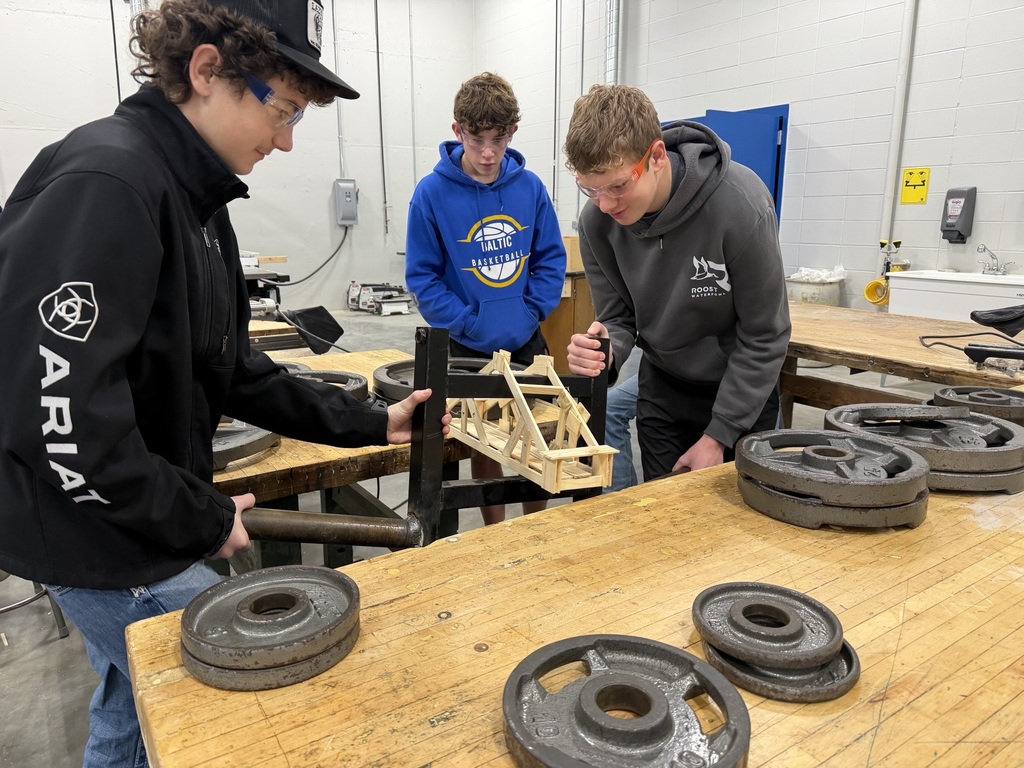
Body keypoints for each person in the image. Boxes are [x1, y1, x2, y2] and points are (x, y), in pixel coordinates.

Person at [0, 2, 449, 766]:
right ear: (206, 70)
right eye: (281, 109)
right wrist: (197, 518)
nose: (284, 139)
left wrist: (373, 422)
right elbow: (61, 422)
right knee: (250, 705)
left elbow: (233, 368)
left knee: (132, 707)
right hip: (99, 544)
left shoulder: (199, 201)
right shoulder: (109, 181)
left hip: (140, 525)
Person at [564, 84, 790, 481]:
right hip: (664, 387)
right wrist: (606, 351)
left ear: (655, 157)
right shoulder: (597, 222)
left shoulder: (739, 202)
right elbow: (618, 317)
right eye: (590, 188)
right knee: (663, 522)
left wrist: (718, 436)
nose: (605, 204)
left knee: (742, 530)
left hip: (741, 389)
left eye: (618, 186)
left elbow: (765, 334)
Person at [405, 72, 566, 525]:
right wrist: (470, 322)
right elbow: (423, 278)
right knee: (486, 442)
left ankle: (537, 527)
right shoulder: (431, 194)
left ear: (513, 132)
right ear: (457, 130)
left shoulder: (530, 188)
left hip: (526, 339)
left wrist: (531, 311)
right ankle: (495, 532)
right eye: (477, 140)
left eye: (499, 139)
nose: (488, 153)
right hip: (466, 344)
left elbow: (550, 260)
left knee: (540, 439)